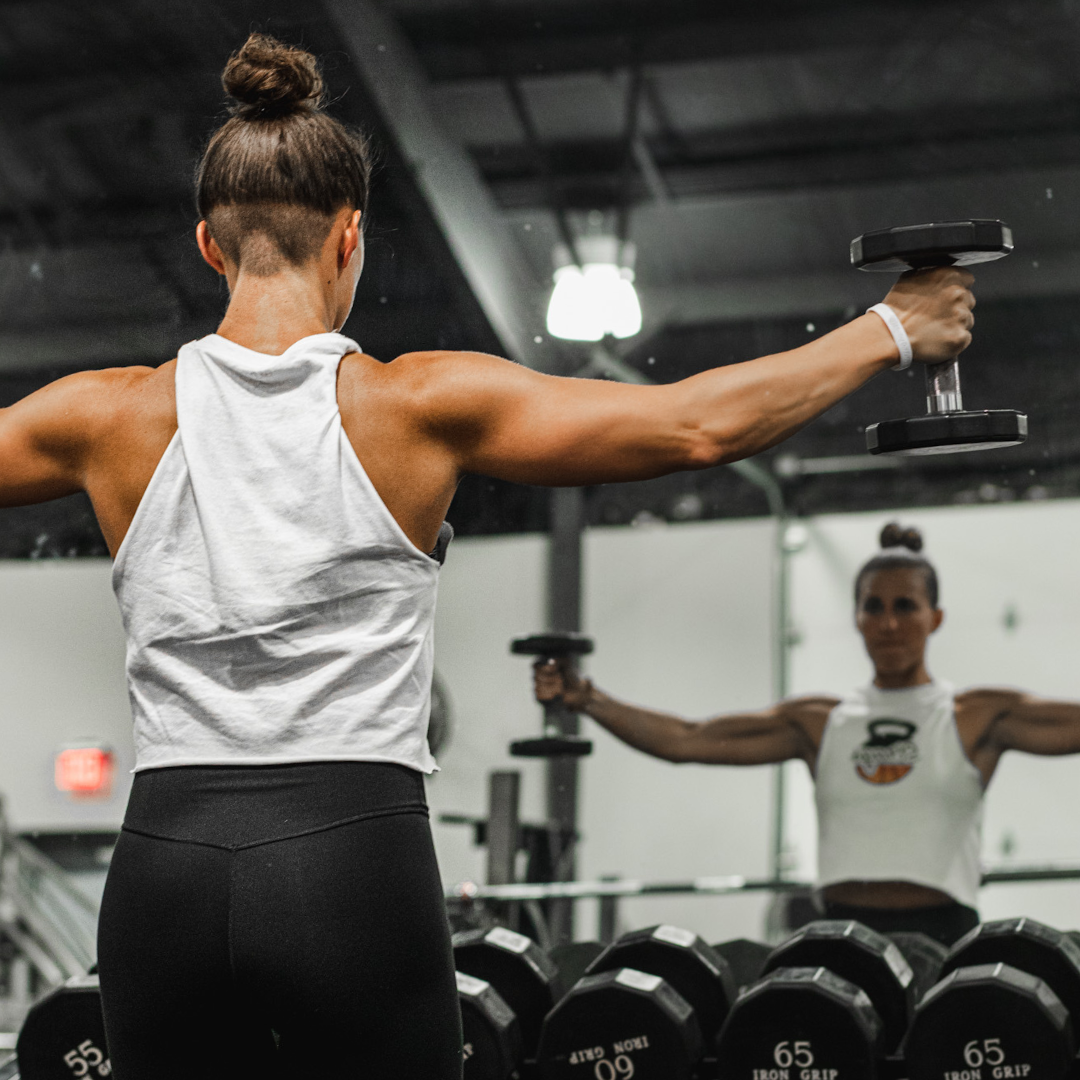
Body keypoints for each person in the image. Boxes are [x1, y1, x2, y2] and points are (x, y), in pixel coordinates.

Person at [0, 30, 976, 1080]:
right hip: (350, 862)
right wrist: (890, 325)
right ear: (349, 239)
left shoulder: (103, 418)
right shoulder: (419, 405)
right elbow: (693, 428)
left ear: (208, 244)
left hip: (166, 870)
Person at [535, 523, 1080, 946]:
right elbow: (687, 739)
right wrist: (588, 699)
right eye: (874, 607)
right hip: (840, 932)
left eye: (905, 607)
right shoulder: (820, 721)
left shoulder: (975, 715)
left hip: (945, 935)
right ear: (857, 617)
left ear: (934, 618)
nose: (889, 623)